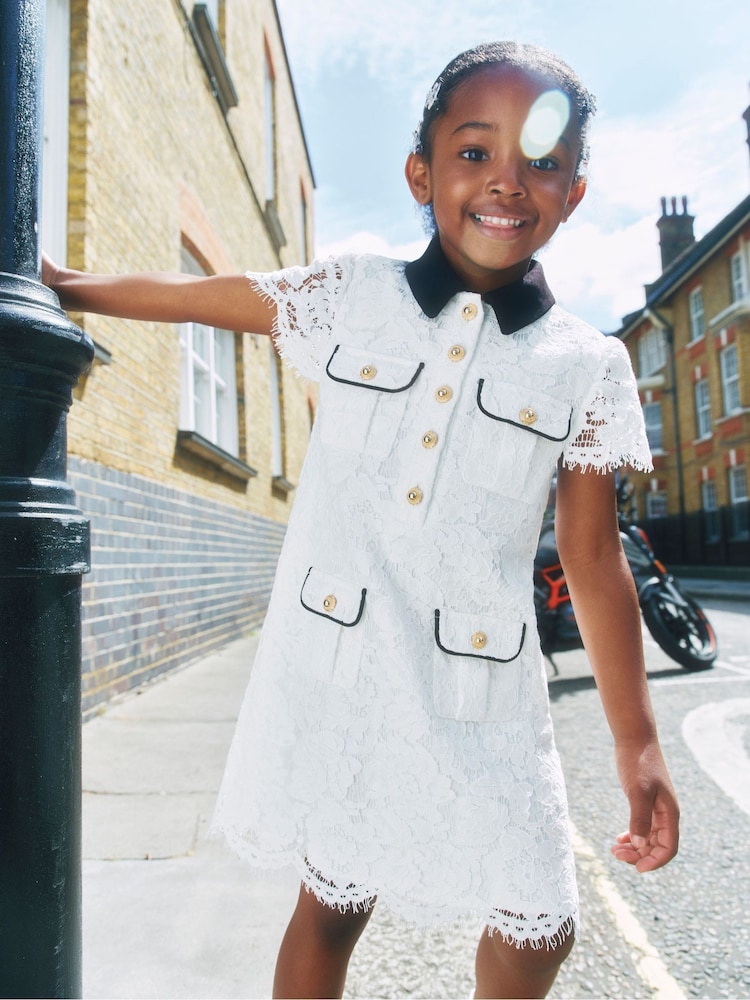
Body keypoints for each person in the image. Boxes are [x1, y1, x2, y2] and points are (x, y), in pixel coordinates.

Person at [44, 41, 679, 1000]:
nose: (507, 183)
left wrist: (638, 742)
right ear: (421, 172)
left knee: (541, 922)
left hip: (484, 692)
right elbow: (197, 299)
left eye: (542, 163)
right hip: (342, 665)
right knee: (334, 905)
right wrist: (59, 286)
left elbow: (593, 561)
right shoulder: (353, 296)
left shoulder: (585, 365)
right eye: (475, 152)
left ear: (574, 194)